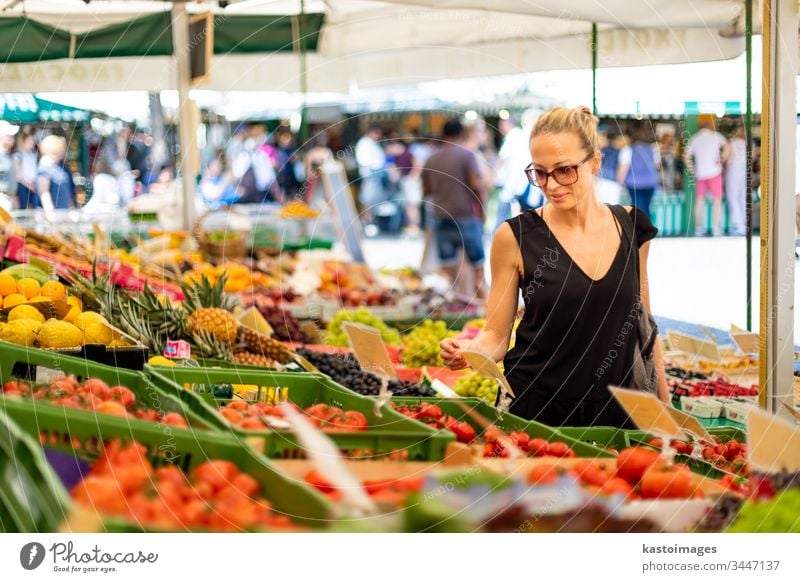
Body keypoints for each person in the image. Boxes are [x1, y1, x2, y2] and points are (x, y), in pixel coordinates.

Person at [439, 106, 668, 428]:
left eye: (564, 170)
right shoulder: (515, 236)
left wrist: (666, 408)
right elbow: (496, 335)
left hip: (618, 412)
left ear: (596, 162)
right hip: (536, 410)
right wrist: (470, 351)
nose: (551, 185)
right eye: (540, 172)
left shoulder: (632, 227)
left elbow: (645, 323)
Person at [422, 118, 487, 301]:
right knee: (476, 263)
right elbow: (475, 184)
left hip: (441, 215)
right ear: (461, 134)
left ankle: (455, 298)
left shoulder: (431, 158)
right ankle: (480, 298)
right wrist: (481, 209)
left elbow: (426, 190)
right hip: (466, 214)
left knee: (448, 263)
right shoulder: (467, 155)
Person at [685, 118, 730, 236]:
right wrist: (722, 159)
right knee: (717, 201)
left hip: (700, 174)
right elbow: (727, 147)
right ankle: (716, 228)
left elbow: (686, 156)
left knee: (699, 202)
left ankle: (699, 229)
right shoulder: (716, 136)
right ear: (711, 126)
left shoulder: (695, 138)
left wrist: (692, 169)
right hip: (715, 172)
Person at [617, 127, 661, 219]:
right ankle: (648, 229)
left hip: (634, 184)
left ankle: (638, 231)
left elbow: (623, 169)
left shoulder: (628, 150)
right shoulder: (652, 150)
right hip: (650, 183)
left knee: (637, 208)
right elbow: (657, 165)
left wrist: (620, 181)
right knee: (647, 207)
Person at [355, 125, 387, 223]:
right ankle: (367, 220)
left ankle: (372, 220)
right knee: (367, 198)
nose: (379, 137)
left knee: (375, 199)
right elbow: (363, 160)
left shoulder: (372, 143)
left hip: (376, 174)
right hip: (370, 174)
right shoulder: (364, 143)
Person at [37, 135, 75, 215]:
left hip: (64, 212)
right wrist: (50, 214)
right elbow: (44, 193)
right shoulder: (45, 167)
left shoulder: (59, 166)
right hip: (56, 214)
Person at [725, 126, 747, 236]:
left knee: (732, 197)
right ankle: (743, 224)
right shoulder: (749, 144)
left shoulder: (732, 143)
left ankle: (736, 224)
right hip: (745, 172)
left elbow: (727, 159)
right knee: (743, 197)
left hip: (733, 171)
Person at [14, 131, 39, 209]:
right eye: (30, 140)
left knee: (35, 208)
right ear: (24, 141)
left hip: (34, 185)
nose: (32, 143)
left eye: (32, 141)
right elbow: (18, 175)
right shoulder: (18, 155)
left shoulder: (34, 155)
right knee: (23, 208)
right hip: (23, 186)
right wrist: (29, 186)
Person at [0, 121, 19, 212]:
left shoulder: (8, 155)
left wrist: (13, 196)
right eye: (9, 135)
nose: (12, 138)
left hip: (8, 200)